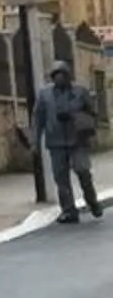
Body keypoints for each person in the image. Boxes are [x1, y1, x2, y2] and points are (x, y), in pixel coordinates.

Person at [31, 60, 102, 225]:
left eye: (62, 75)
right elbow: (38, 119)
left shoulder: (80, 92)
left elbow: (93, 113)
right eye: (56, 76)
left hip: (77, 140)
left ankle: (92, 201)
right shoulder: (44, 94)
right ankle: (69, 210)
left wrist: (76, 117)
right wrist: (35, 142)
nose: (59, 79)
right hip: (55, 142)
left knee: (83, 172)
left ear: (68, 76)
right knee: (61, 178)